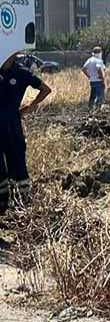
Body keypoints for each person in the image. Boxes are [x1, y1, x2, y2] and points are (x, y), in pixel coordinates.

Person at [0, 52, 52, 215]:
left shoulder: (22, 73)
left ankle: (23, 202)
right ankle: (3, 204)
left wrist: (31, 106)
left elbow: (45, 89)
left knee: (18, 163)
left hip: (13, 125)